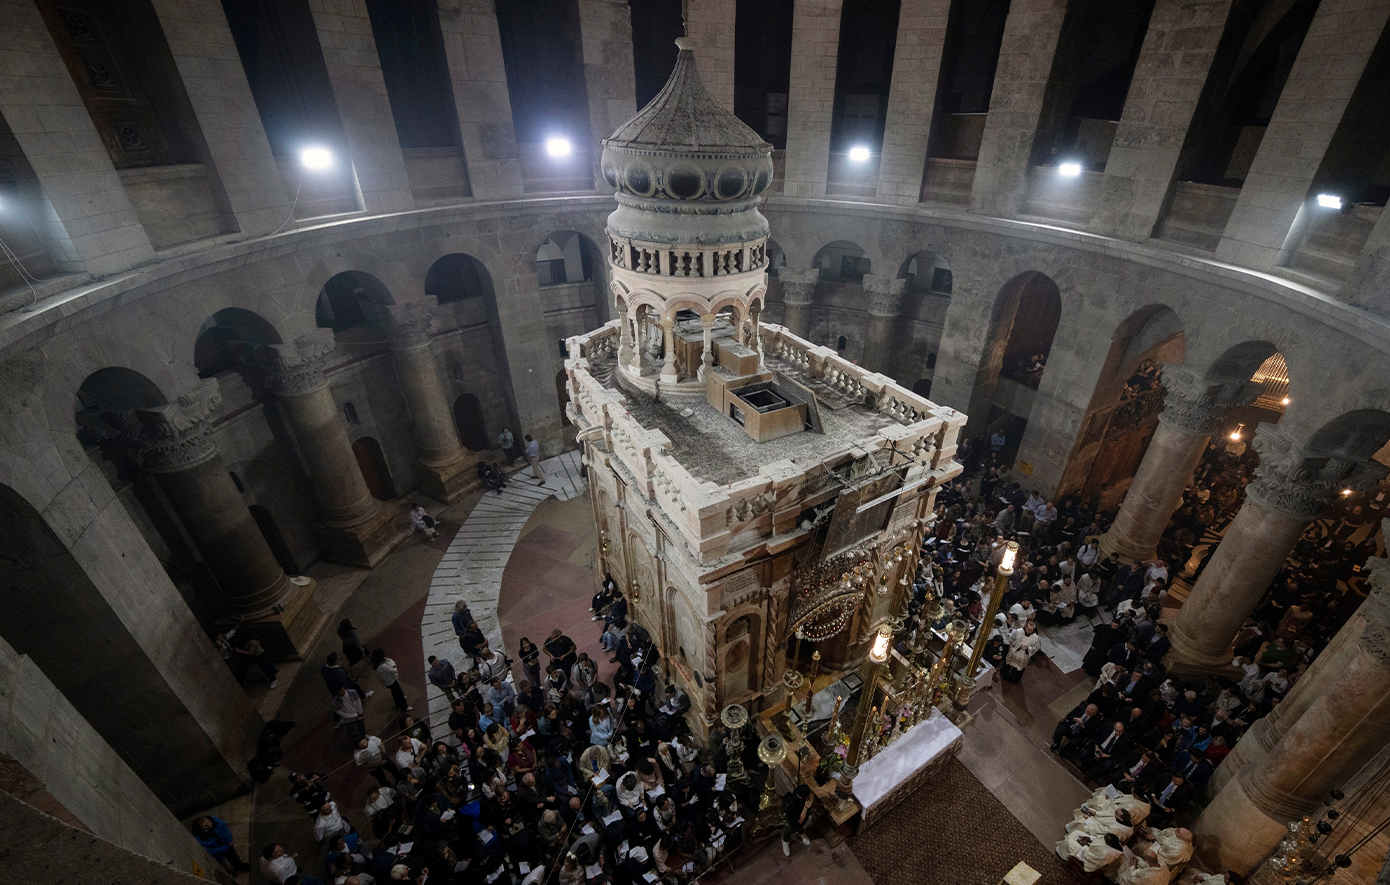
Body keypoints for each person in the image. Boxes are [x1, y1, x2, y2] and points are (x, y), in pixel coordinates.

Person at [371, 647, 411, 712]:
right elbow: (393, 669)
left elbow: (390, 661)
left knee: (394, 692)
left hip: (387, 682)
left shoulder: (377, 664)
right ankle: (404, 706)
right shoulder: (383, 666)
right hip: (390, 681)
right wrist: (393, 666)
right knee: (399, 692)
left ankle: (398, 702)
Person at [781, 784, 814, 856]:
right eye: (798, 795)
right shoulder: (793, 802)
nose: (799, 796)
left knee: (802, 826)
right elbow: (799, 821)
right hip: (793, 820)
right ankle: (785, 841)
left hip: (803, 817)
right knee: (790, 830)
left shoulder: (806, 796)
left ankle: (801, 833)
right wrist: (805, 808)